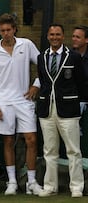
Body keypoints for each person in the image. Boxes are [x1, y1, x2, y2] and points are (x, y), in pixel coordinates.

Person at [0, 13, 42, 196]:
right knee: (8, 140)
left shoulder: (26, 45)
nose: (6, 33)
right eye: (2, 30)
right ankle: (11, 182)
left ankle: (32, 182)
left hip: (24, 100)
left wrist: (36, 85)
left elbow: (43, 66)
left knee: (31, 139)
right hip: (3, 101)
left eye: (8, 30)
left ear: (15, 29)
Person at [37, 24, 85, 198]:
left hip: (68, 109)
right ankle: (50, 186)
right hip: (47, 110)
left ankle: (76, 187)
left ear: (63, 36)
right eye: (52, 34)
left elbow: (81, 82)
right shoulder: (41, 57)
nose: (55, 37)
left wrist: (77, 101)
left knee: (73, 150)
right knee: (49, 150)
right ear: (48, 36)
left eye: (58, 34)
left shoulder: (73, 57)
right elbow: (43, 82)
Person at [72, 25, 88, 134]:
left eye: (78, 37)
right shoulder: (69, 56)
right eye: (73, 36)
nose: (74, 39)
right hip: (72, 103)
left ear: (86, 40)